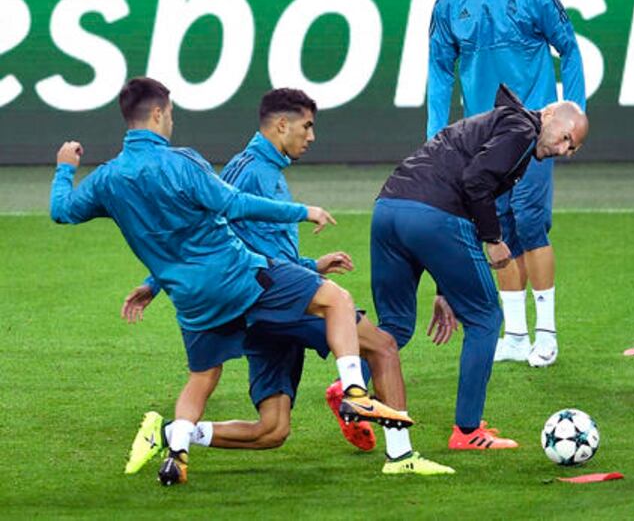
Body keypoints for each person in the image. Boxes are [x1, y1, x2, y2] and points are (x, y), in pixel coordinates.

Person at [50, 77, 409, 486]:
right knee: (350, 314)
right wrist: (301, 211)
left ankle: (176, 438)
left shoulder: (106, 178)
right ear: (158, 113)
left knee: (247, 411)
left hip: (194, 304)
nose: (172, 121)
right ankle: (364, 407)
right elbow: (232, 205)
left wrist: (65, 167)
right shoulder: (186, 162)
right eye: (170, 114)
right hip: (244, 283)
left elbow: (62, 210)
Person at [120, 87, 452, 476]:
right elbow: (199, 233)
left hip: (269, 302)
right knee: (382, 347)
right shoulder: (249, 172)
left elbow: (238, 242)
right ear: (282, 125)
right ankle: (401, 456)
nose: (311, 137)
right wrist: (155, 282)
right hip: (274, 302)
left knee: (272, 429)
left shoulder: (261, 169)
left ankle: (170, 433)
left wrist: (311, 265)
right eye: (307, 127)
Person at [373, 84, 588, 449]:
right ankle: (468, 431)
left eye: (573, 148)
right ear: (549, 115)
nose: (565, 151)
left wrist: (445, 289)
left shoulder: (498, 124)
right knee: (486, 319)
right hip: (433, 216)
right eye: (567, 138)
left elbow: (464, 180)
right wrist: (494, 238)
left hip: (388, 209)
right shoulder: (522, 131)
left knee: (395, 326)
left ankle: (351, 387)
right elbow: (475, 183)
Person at [427, 0, 587, 368]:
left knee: (532, 226)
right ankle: (516, 335)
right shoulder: (448, 1)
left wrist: (573, 113)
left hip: (532, 134)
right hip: (482, 137)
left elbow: (569, 47)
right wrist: (436, 134)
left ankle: (547, 334)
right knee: (495, 230)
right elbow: (439, 71)